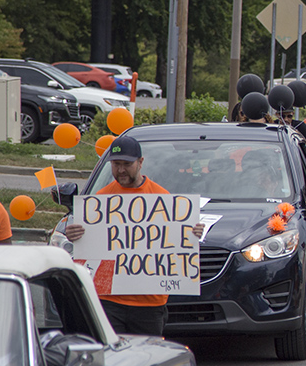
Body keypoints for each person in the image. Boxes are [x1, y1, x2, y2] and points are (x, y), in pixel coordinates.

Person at [65, 136, 203, 336]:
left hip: (150, 303)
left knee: (147, 361)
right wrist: (74, 235)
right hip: (109, 301)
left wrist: (192, 233)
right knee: (112, 361)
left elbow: (176, 239)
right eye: (116, 164)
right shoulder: (97, 202)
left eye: (127, 164)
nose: (120, 170)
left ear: (141, 163)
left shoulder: (163, 200)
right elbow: (92, 249)